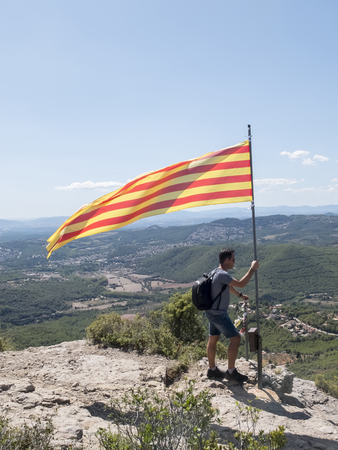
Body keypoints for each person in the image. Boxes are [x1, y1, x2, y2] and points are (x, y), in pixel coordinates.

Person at [206, 248, 259, 382]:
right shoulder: (223, 274)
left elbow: (227, 287)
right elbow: (241, 283)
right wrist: (252, 269)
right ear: (227, 260)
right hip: (219, 313)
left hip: (210, 311)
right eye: (233, 260)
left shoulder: (215, 272)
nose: (234, 262)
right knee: (235, 339)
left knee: (213, 339)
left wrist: (239, 296)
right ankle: (231, 372)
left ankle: (212, 370)